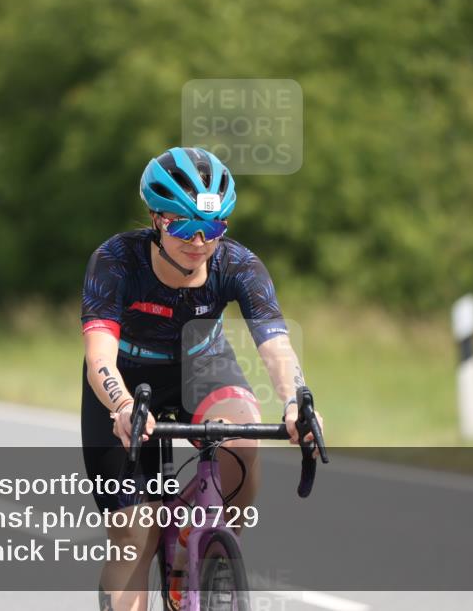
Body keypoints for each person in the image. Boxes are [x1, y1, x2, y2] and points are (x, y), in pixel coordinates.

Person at [80, 147, 323, 611]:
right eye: (183, 226)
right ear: (156, 219)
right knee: (135, 533)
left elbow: (274, 346)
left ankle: (203, 548)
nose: (198, 242)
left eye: (212, 228)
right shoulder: (115, 261)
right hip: (126, 381)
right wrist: (123, 406)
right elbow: (99, 358)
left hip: (202, 366)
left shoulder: (238, 265)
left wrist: (295, 402)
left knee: (243, 436)